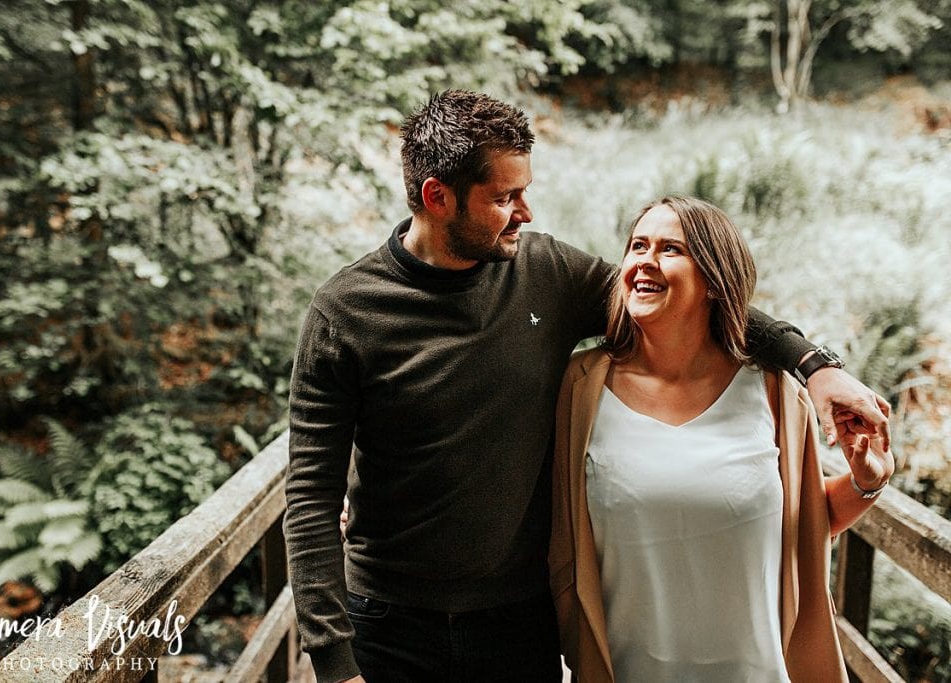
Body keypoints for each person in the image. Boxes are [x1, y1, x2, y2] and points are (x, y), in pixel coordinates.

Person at [283, 90, 890, 683]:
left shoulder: (547, 272)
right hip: (389, 620)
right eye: (505, 197)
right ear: (437, 197)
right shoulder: (346, 312)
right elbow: (310, 497)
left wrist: (816, 367)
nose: (525, 212)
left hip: (519, 620)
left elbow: (696, 307)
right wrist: (334, 663)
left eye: (526, 192)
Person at [549, 196, 895, 682]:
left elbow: (803, 522)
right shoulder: (580, 390)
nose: (644, 260)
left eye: (670, 249)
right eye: (637, 246)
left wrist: (866, 482)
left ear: (713, 280)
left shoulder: (774, 394)